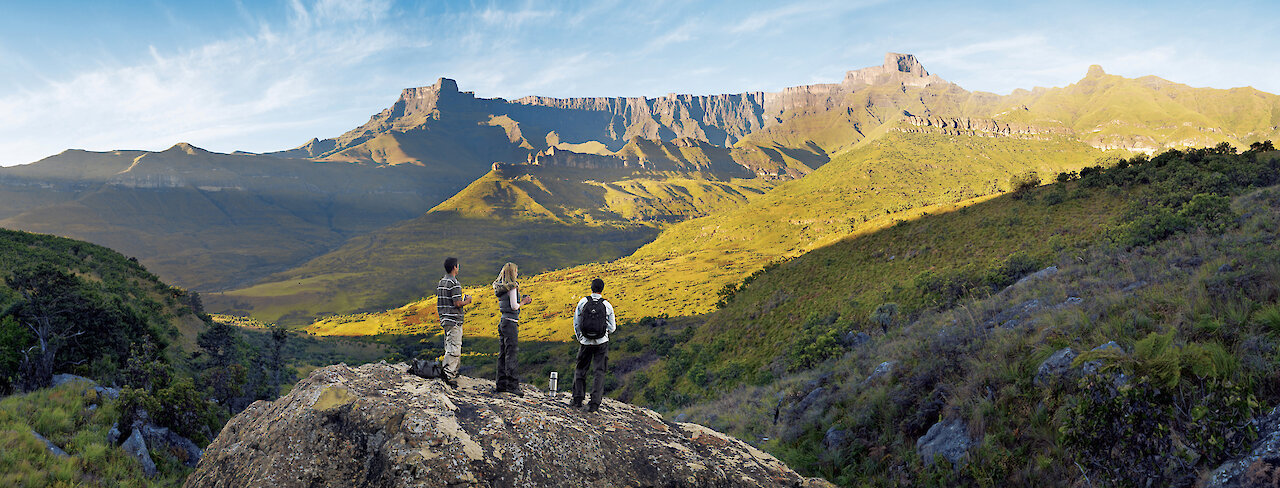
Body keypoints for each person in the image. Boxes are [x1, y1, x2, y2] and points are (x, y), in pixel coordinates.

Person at [572, 278, 616, 412]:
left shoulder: (583, 302)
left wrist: (581, 337)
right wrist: (603, 331)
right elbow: (612, 328)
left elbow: (577, 322)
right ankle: (594, 403)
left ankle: (578, 399)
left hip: (585, 342)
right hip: (601, 343)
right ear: (602, 289)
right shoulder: (607, 305)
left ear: (591, 288)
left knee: (581, 369)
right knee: (599, 372)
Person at [492, 262, 532, 396]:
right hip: (511, 323)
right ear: (512, 273)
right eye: (516, 271)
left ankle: (501, 384)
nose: (517, 273)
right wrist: (524, 302)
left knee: (502, 354)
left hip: (503, 321)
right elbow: (514, 306)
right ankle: (512, 385)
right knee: (511, 354)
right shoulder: (512, 287)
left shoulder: (501, 288)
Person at [436, 257, 471, 388]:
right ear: (455, 267)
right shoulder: (454, 283)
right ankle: (449, 375)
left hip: (445, 319)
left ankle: (451, 373)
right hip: (454, 319)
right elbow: (457, 303)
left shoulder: (441, 282)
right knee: (454, 348)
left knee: (449, 346)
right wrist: (467, 301)